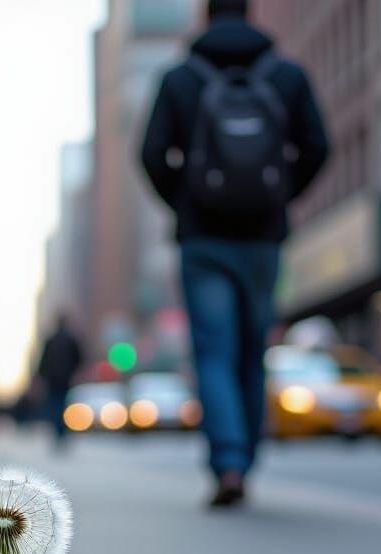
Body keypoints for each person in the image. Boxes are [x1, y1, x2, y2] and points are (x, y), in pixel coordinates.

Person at [141, 0, 329, 507]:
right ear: (251, 13)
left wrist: (187, 200)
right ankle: (245, 453)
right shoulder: (285, 75)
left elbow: (152, 155)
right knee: (252, 349)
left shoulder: (180, 78)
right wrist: (278, 195)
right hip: (264, 238)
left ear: (205, 16)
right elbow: (318, 146)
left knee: (214, 352)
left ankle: (227, 462)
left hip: (203, 240)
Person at [37, 314, 84, 442]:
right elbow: (79, 359)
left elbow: (43, 361)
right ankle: (61, 431)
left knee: (55, 406)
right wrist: (74, 372)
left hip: (53, 380)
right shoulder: (71, 339)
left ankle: (58, 431)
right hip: (65, 379)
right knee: (62, 405)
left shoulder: (51, 340)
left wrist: (41, 376)